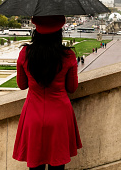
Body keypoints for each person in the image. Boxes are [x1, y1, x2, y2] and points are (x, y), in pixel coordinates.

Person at [13, 15, 82, 170]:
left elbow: (22, 85)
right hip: (59, 116)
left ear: (36, 31)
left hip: (33, 114)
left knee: (35, 166)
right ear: (59, 32)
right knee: (57, 165)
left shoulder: (25, 53)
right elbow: (72, 88)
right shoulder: (68, 55)